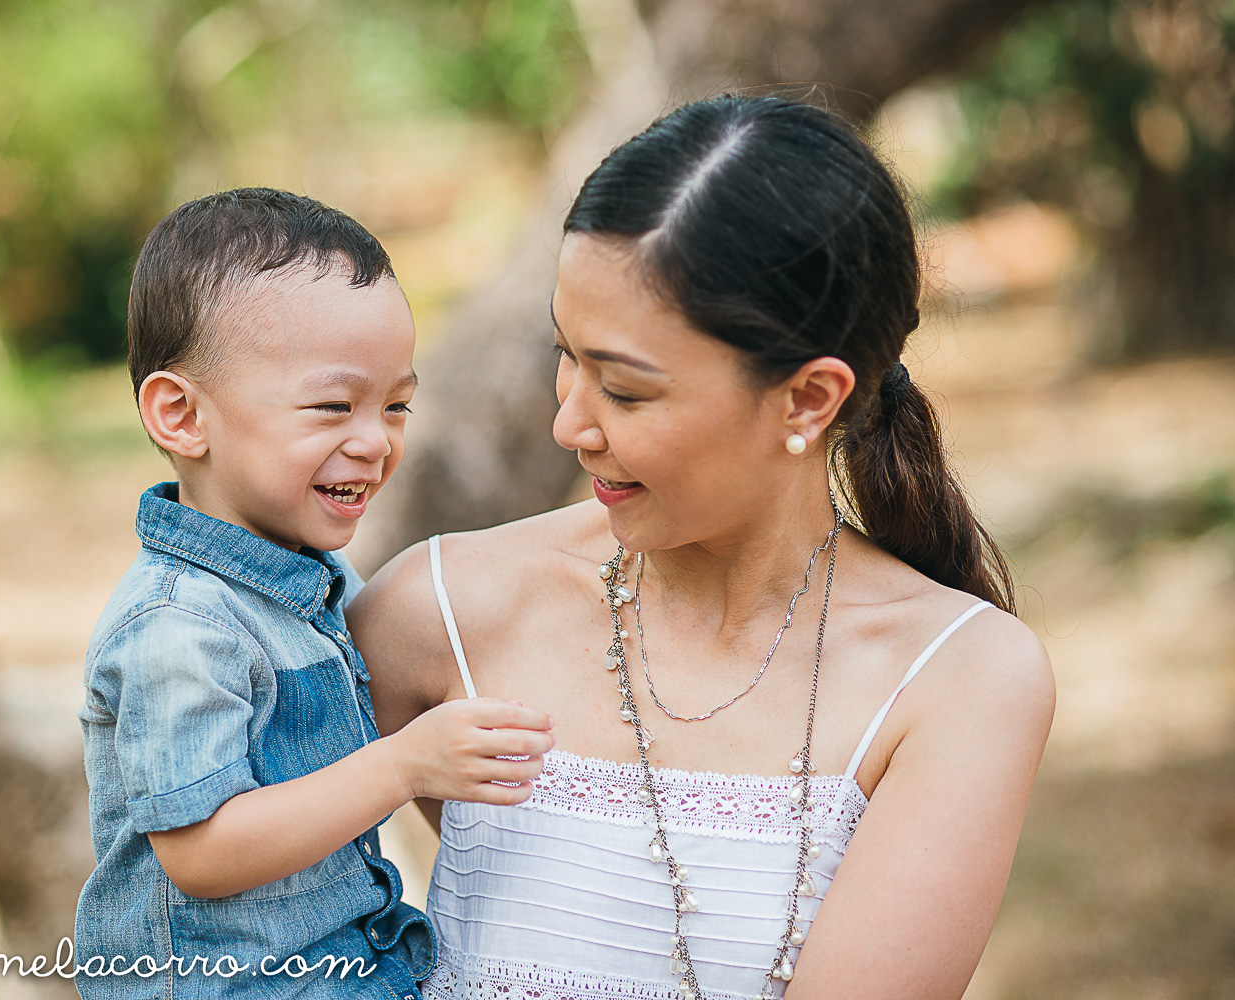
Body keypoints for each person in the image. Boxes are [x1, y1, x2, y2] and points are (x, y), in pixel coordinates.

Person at [349, 96, 1056, 1000]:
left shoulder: (959, 679)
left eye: (628, 392)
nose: (571, 423)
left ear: (807, 399)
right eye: (565, 355)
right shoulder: (444, 607)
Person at [73, 188, 555, 1000]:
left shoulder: (310, 582)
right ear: (182, 415)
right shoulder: (178, 625)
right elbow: (203, 854)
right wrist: (404, 766)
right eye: (334, 406)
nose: (374, 441)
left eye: (396, 405)